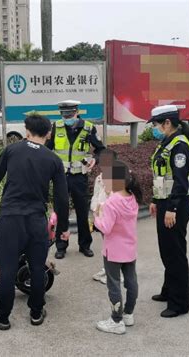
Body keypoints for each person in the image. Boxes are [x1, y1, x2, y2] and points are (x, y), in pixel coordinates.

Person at [0, 114, 70, 331]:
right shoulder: (53, 160)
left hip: (11, 220)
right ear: (49, 134)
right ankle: (36, 312)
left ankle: (2, 317)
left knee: (7, 269)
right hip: (36, 222)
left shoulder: (12, 151)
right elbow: (62, 198)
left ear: (27, 131)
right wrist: (62, 229)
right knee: (36, 268)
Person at [147, 105, 189, 318]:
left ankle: (179, 303)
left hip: (176, 205)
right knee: (167, 250)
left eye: (156, 124)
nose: (155, 129)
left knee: (175, 253)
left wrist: (172, 208)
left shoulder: (180, 145)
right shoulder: (166, 142)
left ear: (167, 123)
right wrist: (156, 200)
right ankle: (168, 291)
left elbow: (180, 181)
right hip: (165, 203)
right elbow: (161, 175)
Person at [46, 99, 105, 259]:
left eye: (70, 114)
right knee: (61, 212)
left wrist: (95, 159)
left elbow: (101, 149)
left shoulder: (88, 128)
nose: (67, 117)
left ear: (77, 112)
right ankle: (61, 245)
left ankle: (85, 245)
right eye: (64, 115)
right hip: (61, 177)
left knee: (82, 212)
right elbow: (47, 149)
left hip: (80, 176)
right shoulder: (55, 127)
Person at [93, 160, 142, 335]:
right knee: (131, 281)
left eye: (105, 178)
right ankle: (129, 313)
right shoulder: (132, 197)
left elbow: (105, 228)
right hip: (129, 249)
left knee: (113, 285)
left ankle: (116, 320)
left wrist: (96, 215)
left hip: (113, 251)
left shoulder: (112, 202)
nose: (103, 181)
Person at [91, 149, 118, 285]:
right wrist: (95, 211)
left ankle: (116, 274)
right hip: (101, 217)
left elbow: (121, 200)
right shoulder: (100, 178)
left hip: (113, 219)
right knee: (106, 244)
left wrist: (109, 193)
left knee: (114, 245)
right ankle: (107, 269)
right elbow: (96, 196)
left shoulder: (118, 177)